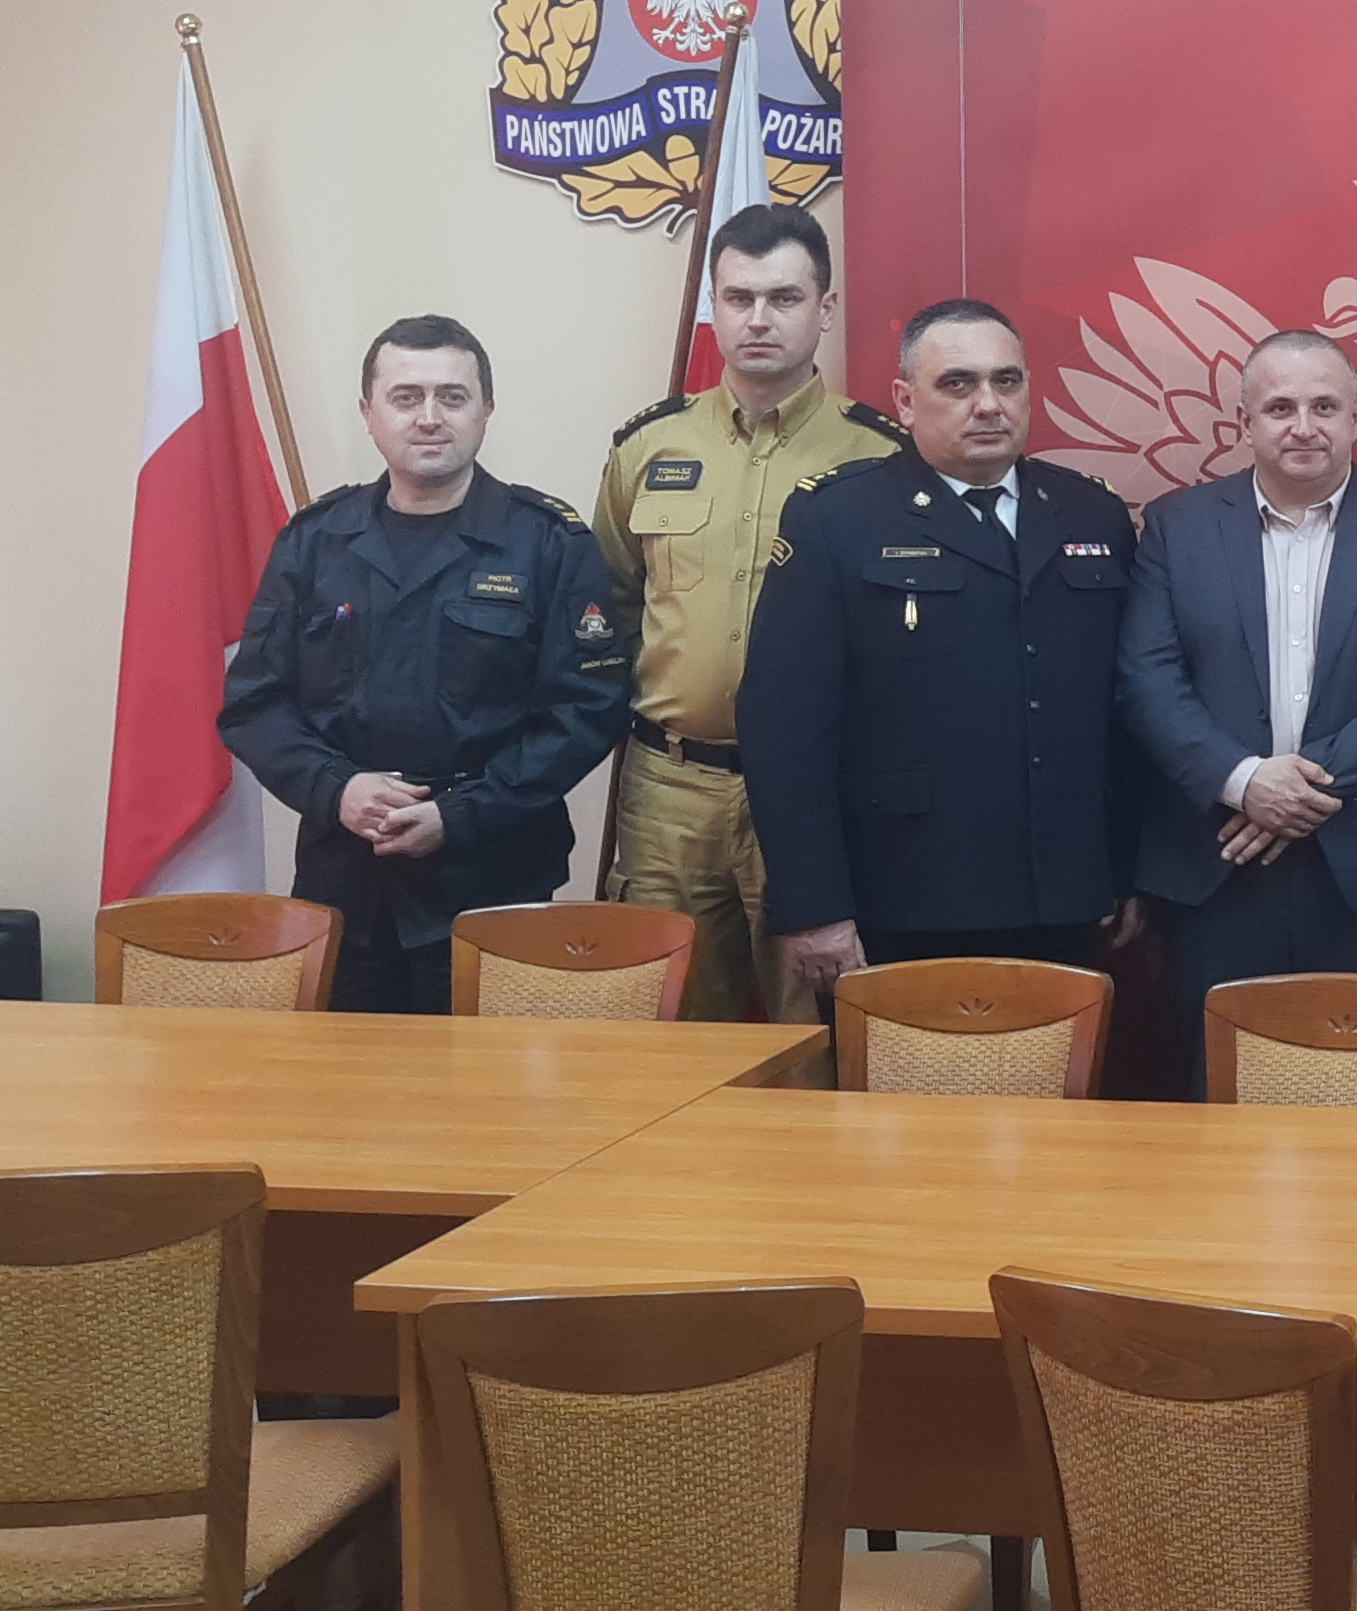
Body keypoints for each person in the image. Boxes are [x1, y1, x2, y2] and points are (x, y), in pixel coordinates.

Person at [220, 317, 629, 1013]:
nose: (430, 417)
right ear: (369, 413)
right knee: (343, 1076)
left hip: (492, 882)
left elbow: (587, 711)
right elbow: (255, 704)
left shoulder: (547, 543)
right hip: (345, 883)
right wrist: (337, 790)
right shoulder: (315, 542)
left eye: (453, 396)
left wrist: (460, 816)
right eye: (406, 397)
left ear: (487, 409)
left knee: (486, 1079)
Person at [741, 299, 1143, 985]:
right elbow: (783, 728)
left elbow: (1125, 714)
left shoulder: (1091, 513)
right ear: (905, 401)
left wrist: (1129, 870)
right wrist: (814, 905)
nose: (987, 404)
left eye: (1006, 381)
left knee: (1057, 1060)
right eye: (957, 384)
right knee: (900, 1062)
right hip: (901, 892)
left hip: (1066, 889)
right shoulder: (836, 517)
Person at [1120, 330, 1357, 1070]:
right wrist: (1244, 782)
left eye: (1324, 406)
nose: (1303, 426)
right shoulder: (1178, 527)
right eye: (1280, 408)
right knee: (1215, 1092)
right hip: (1217, 861)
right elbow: (1147, 677)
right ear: (1245, 421)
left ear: (1356, 416)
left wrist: (1296, 788)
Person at [590, 202, 899, 1025]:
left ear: (825, 309)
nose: (758, 318)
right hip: (670, 792)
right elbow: (610, 606)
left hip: (820, 795)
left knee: (818, 1034)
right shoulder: (648, 447)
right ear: (715, 307)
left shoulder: (882, 457)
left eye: (784, 298)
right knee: (670, 1033)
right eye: (739, 298)